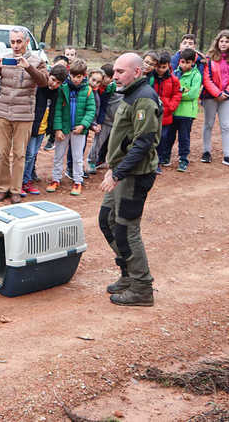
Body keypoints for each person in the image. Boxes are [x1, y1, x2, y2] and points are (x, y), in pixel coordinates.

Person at [99, 52, 161, 307]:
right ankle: (127, 274)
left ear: (137, 72)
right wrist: (111, 166)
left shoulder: (145, 99)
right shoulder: (129, 94)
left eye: (120, 72)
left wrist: (117, 172)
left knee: (126, 229)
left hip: (135, 175)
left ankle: (142, 287)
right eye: (114, 71)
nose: (115, 76)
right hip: (122, 171)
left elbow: (143, 144)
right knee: (107, 220)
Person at [0, 27, 49, 204]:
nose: (16, 45)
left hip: (24, 114)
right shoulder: (5, 59)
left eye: (19, 41)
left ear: (26, 42)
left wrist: (29, 68)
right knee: (2, 153)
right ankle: (3, 188)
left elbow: (44, 82)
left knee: (19, 154)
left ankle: (16, 190)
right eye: (13, 41)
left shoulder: (37, 61)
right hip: (3, 112)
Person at [46, 58, 96, 196]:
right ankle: (55, 179)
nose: (75, 79)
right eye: (73, 76)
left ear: (84, 75)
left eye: (78, 76)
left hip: (79, 130)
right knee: (58, 155)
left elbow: (91, 110)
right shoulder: (63, 88)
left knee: (77, 156)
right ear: (69, 74)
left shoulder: (88, 91)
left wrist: (84, 125)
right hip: (63, 129)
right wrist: (57, 129)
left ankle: (77, 181)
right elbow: (57, 110)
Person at [22, 64, 67, 196]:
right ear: (48, 75)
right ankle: (23, 181)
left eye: (58, 83)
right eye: (53, 79)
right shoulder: (39, 88)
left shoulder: (56, 92)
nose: (54, 84)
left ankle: (27, 179)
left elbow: (53, 111)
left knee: (34, 154)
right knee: (28, 154)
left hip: (42, 129)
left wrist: (51, 130)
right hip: (32, 127)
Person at [166, 48, 202, 172]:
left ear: (193, 62)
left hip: (187, 113)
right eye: (182, 61)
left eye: (188, 62)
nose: (184, 64)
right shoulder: (174, 73)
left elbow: (192, 94)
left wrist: (177, 93)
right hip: (173, 111)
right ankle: (165, 156)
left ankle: (183, 159)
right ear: (179, 61)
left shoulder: (196, 75)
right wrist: (181, 91)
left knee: (184, 137)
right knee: (169, 135)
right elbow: (169, 90)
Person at [201, 29, 229, 166]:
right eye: (221, 41)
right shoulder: (208, 58)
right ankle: (206, 152)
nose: (224, 43)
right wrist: (217, 93)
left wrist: (226, 93)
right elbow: (206, 78)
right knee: (208, 124)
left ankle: (227, 154)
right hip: (210, 97)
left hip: (227, 98)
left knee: (226, 126)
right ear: (217, 42)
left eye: (227, 41)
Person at [151, 51, 182, 172]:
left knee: (162, 138)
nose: (160, 69)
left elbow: (177, 94)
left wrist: (170, 107)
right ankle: (148, 162)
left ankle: (157, 163)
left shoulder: (174, 80)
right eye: (158, 66)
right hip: (151, 113)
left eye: (163, 67)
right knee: (149, 138)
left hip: (165, 115)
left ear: (168, 65)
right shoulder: (150, 78)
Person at [87, 64, 117, 173]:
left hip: (105, 119)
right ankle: (91, 161)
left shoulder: (109, 88)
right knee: (97, 142)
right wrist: (98, 122)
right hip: (98, 119)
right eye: (106, 77)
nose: (108, 79)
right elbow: (101, 107)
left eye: (111, 77)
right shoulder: (95, 89)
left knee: (108, 143)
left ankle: (101, 160)